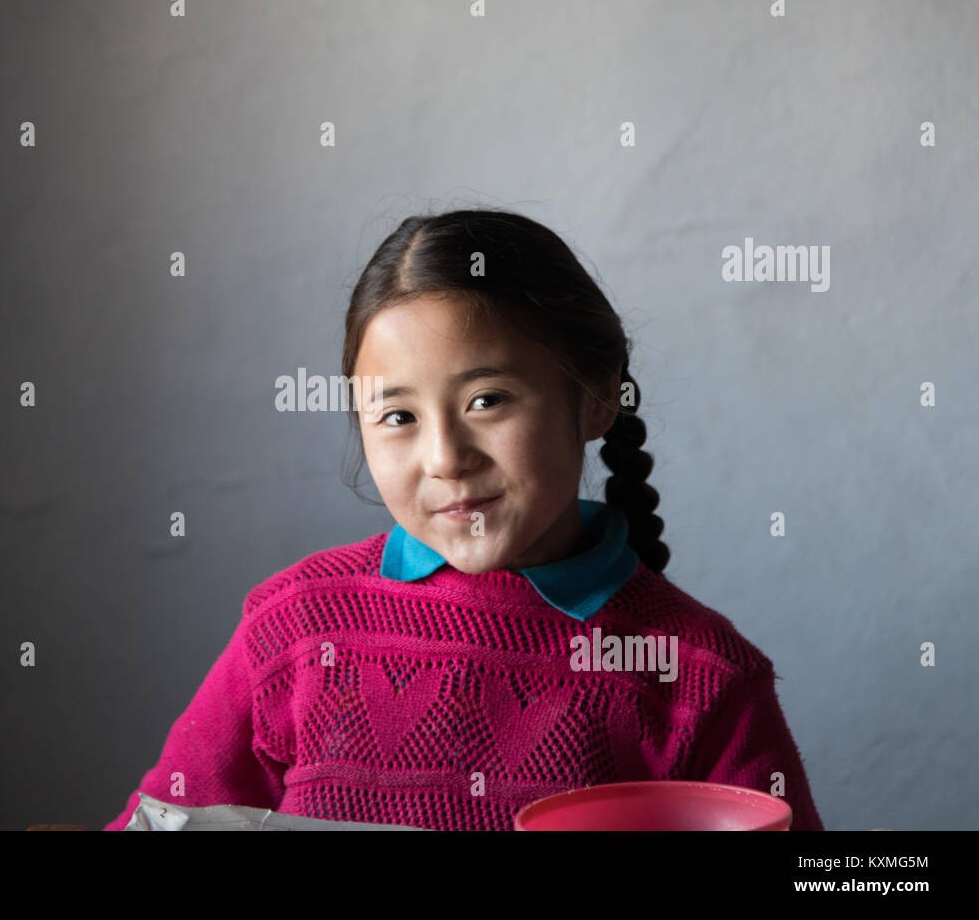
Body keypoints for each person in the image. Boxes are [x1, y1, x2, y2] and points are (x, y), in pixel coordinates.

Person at [103, 208, 824, 831]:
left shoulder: (700, 676)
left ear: (600, 397)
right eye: (398, 416)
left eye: (488, 400)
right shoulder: (293, 628)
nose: (445, 458)